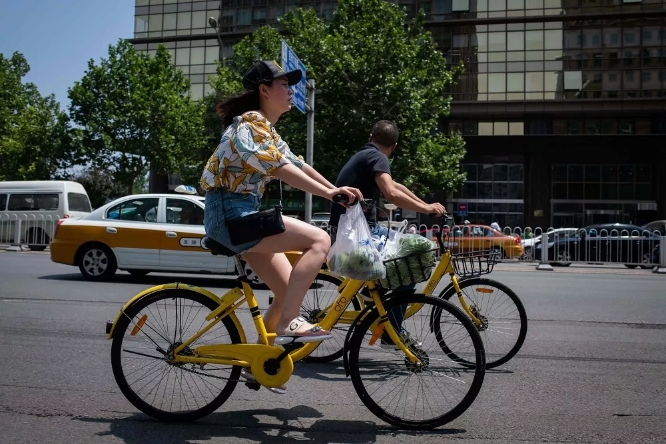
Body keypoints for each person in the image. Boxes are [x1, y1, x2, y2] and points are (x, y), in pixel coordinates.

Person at [200, 60, 362, 393]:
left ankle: (264, 359)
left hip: (239, 214)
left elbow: (299, 165)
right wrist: (331, 194)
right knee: (318, 239)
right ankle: (289, 322)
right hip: (231, 216)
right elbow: (280, 169)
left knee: (288, 289)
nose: (291, 91)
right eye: (284, 85)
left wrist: (336, 190)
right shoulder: (251, 123)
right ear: (264, 90)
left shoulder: (266, 130)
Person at [328, 120, 445, 347]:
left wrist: (428, 205)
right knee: (412, 257)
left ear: (371, 135)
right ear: (394, 146)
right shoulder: (378, 157)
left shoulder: (366, 154)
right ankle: (391, 331)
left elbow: (395, 185)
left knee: (404, 254)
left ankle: (376, 293)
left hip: (350, 231)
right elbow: (391, 193)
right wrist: (426, 209)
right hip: (357, 235)